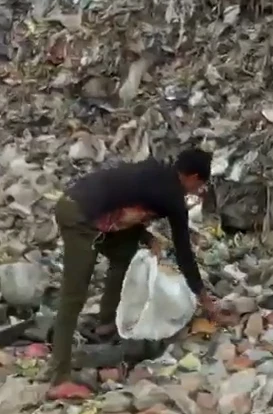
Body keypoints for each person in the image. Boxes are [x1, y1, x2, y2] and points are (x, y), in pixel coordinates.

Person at [48, 147, 218, 385]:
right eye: (199, 185)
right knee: (73, 294)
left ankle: (106, 324)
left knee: (124, 254)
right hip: (79, 216)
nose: (196, 190)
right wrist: (204, 297)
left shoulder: (156, 173)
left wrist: (148, 238)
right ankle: (59, 374)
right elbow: (183, 253)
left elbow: (124, 205)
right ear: (192, 177)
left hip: (85, 206)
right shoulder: (171, 195)